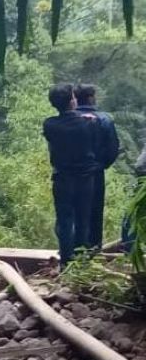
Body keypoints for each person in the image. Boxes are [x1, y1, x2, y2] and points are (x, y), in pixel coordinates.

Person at [42, 84, 99, 267]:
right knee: (83, 219)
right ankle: (81, 261)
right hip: (85, 178)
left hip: (62, 178)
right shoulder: (89, 122)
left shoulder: (49, 124)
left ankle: (66, 262)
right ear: (72, 100)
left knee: (65, 220)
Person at [75, 84, 121, 249]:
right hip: (95, 172)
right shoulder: (104, 119)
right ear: (91, 97)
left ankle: (72, 250)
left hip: (69, 173)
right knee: (95, 211)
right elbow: (113, 148)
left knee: (72, 211)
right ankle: (94, 249)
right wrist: (101, 165)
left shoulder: (67, 118)